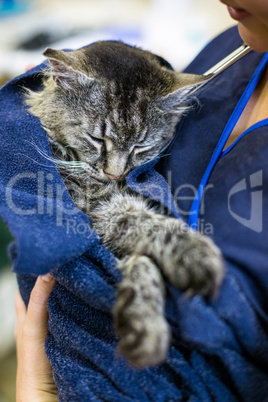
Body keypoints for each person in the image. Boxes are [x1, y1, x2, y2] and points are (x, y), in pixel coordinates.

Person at [15, 0, 268, 399]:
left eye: (134, 153)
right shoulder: (231, 48)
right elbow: (91, 201)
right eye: (99, 143)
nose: (115, 169)